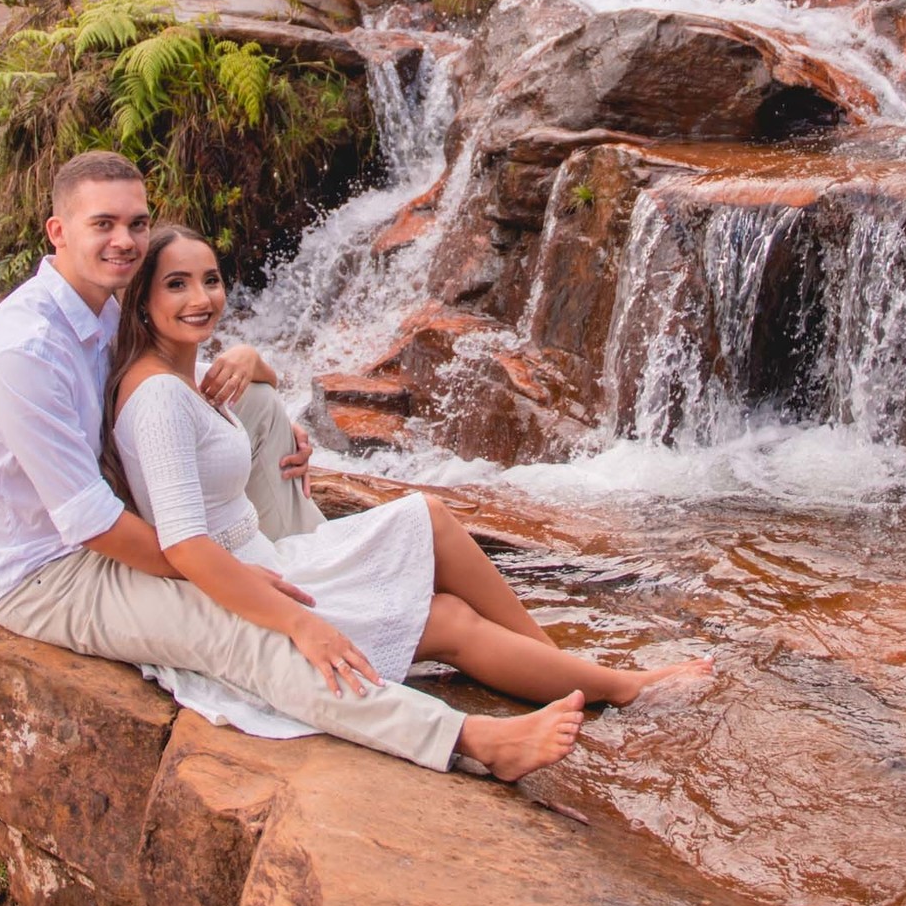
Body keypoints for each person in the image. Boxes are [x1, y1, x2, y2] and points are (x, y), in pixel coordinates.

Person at [0, 150, 593, 781]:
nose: (126, 240)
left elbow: (178, 371)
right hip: (44, 571)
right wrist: (230, 576)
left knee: (260, 557)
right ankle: (465, 740)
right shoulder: (24, 351)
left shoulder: (103, 303)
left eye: (137, 223)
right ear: (57, 231)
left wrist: (259, 371)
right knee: (233, 628)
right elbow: (91, 522)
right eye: (103, 224)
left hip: (106, 531)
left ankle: (554, 672)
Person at [102, 222, 713, 741]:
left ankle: (558, 666)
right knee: (446, 619)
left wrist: (251, 360)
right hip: (242, 591)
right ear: (142, 301)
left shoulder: (183, 372)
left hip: (266, 557)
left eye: (210, 279)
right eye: (176, 284)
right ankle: (618, 688)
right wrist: (296, 624)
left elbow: (249, 380)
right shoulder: (158, 396)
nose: (200, 297)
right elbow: (182, 544)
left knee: (428, 516)